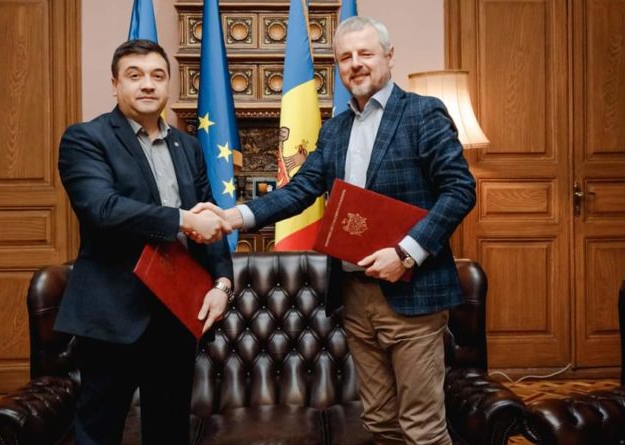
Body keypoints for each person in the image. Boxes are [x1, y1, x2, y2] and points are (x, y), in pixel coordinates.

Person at [193, 16, 476, 445]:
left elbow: (459, 190)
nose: (355, 63)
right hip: (355, 296)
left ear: (389, 57)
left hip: (413, 294)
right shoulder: (335, 129)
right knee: (380, 422)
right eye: (345, 57)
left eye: (365, 53)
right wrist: (232, 217)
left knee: (422, 429)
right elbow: (300, 190)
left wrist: (405, 253)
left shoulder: (423, 113)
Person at [55, 39, 234, 445]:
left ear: (169, 84)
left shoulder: (188, 146)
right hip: (112, 316)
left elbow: (208, 219)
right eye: (134, 76)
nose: (148, 84)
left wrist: (222, 283)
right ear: (115, 84)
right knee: (98, 432)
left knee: (169, 431)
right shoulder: (86, 138)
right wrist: (183, 219)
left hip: (175, 315)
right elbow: (103, 209)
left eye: (157, 75)